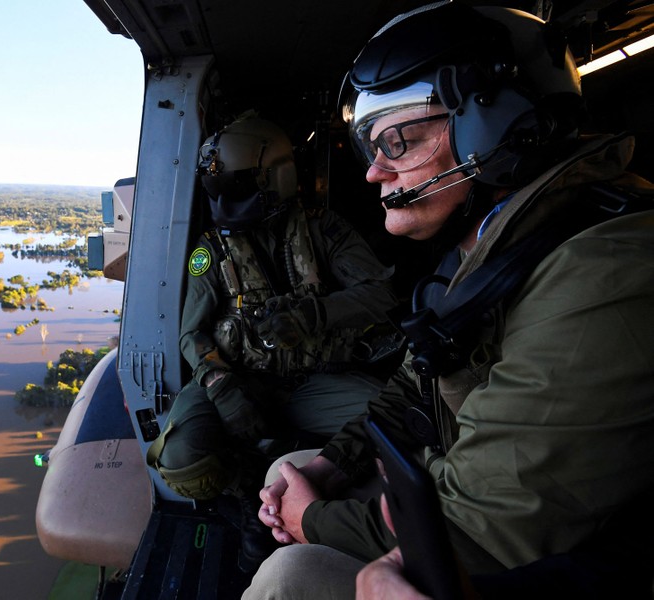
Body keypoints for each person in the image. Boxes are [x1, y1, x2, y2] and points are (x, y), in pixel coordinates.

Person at [245, 2, 654, 597]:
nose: (374, 173)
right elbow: (415, 387)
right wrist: (331, 465)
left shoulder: (605, 271)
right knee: (288, 469)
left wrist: (309, 520)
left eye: (400, 141)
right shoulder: (494, 244)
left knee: (293, 576)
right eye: (372, 147)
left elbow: (480, 529)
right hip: (479, 500)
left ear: (496, 128)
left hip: (562, 561)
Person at [145, 112, 400, 570]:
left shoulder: (325, 231)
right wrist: (220, 386)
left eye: (241, 185)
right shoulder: (211, 252)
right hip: (240, 379)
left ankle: (322, 492)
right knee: (181, 455)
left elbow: (381, 295)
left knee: (394, 419)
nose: (229, 199)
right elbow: (192, 333)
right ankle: (248, 494)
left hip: (313, 380)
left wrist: (314, 315)